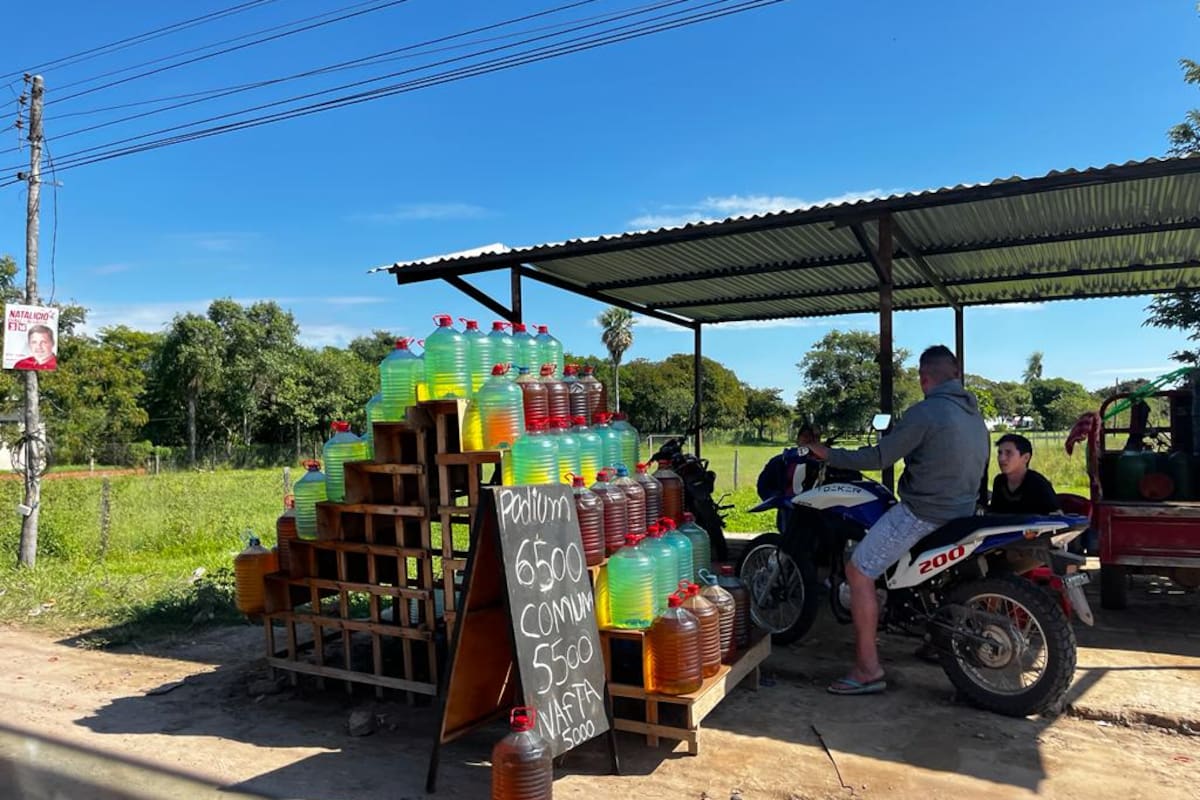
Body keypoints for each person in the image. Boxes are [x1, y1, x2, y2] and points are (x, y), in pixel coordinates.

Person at [806, 345, 989, 695]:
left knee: (858, 572)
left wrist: (828, 454)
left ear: (923, 378)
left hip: (925, 512)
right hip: (963, 513)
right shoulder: (973, 415)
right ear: (955, 374)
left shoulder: (926, 412)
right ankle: (934, 639)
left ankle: (867, 669)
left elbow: (880, 456)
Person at [988, 433, 1061, 515]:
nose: (1001, 458)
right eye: (1000, 453)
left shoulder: (1038, 483)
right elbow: (994, 514)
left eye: (1008, 453)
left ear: (1026, 457)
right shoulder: (999, 481)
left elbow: (1057, 516)